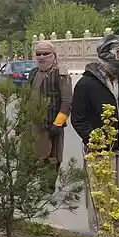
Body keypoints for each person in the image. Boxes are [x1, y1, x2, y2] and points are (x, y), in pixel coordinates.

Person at [72, 34, 119, 237]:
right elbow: (78, 120)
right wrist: (96, 141)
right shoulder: (86, 85)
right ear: (108, 53)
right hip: (101, 157)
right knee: (104, 203)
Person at [29, 40, 73, 186]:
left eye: (46, 54)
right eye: (38, 54)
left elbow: (67, 102)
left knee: (52, 158)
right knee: (32, 156)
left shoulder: (61, 74)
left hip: (52, 125)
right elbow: (27, 98)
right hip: (34, 125)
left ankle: (47, 188)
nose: (42, 57)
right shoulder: (34, 73)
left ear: (54, 55)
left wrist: (58, 123)